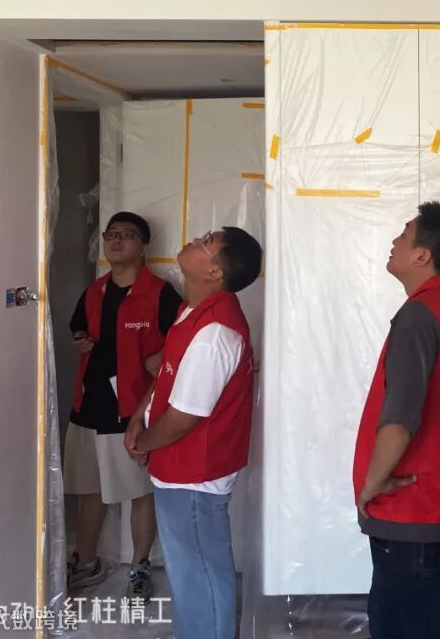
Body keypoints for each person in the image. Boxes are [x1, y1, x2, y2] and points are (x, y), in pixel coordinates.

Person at [353, 202, 440, 639]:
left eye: (403, 234)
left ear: (422, 255)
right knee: (420, 618)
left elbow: (400, 418)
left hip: (407, 505)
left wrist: (371, 485)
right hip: (437, 499)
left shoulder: (419, 316)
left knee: (403, 623)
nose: (394, 242)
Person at [124, 227, 262, 639]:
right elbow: (169, 375)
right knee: (189, 573)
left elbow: (185, 416)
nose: (194, 241)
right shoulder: (192, 311)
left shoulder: (214, 333)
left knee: (199, 575)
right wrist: (140, 414)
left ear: (215, 272)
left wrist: (143, 442)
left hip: (196, 474)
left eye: (204, 242)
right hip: (180, 467)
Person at [64, 211, 182, 599]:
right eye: (111, 234)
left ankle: (139, 566)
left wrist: (159, 360)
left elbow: (182, 342)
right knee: (89, 488)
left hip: (132, 409)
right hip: (89, 402)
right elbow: (78, 328)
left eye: (127, 234)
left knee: (139, 492)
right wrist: (80, 341)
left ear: (143, 245)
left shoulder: (160, 293)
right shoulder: (94, 291)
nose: (116, 241)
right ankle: (86, 562)